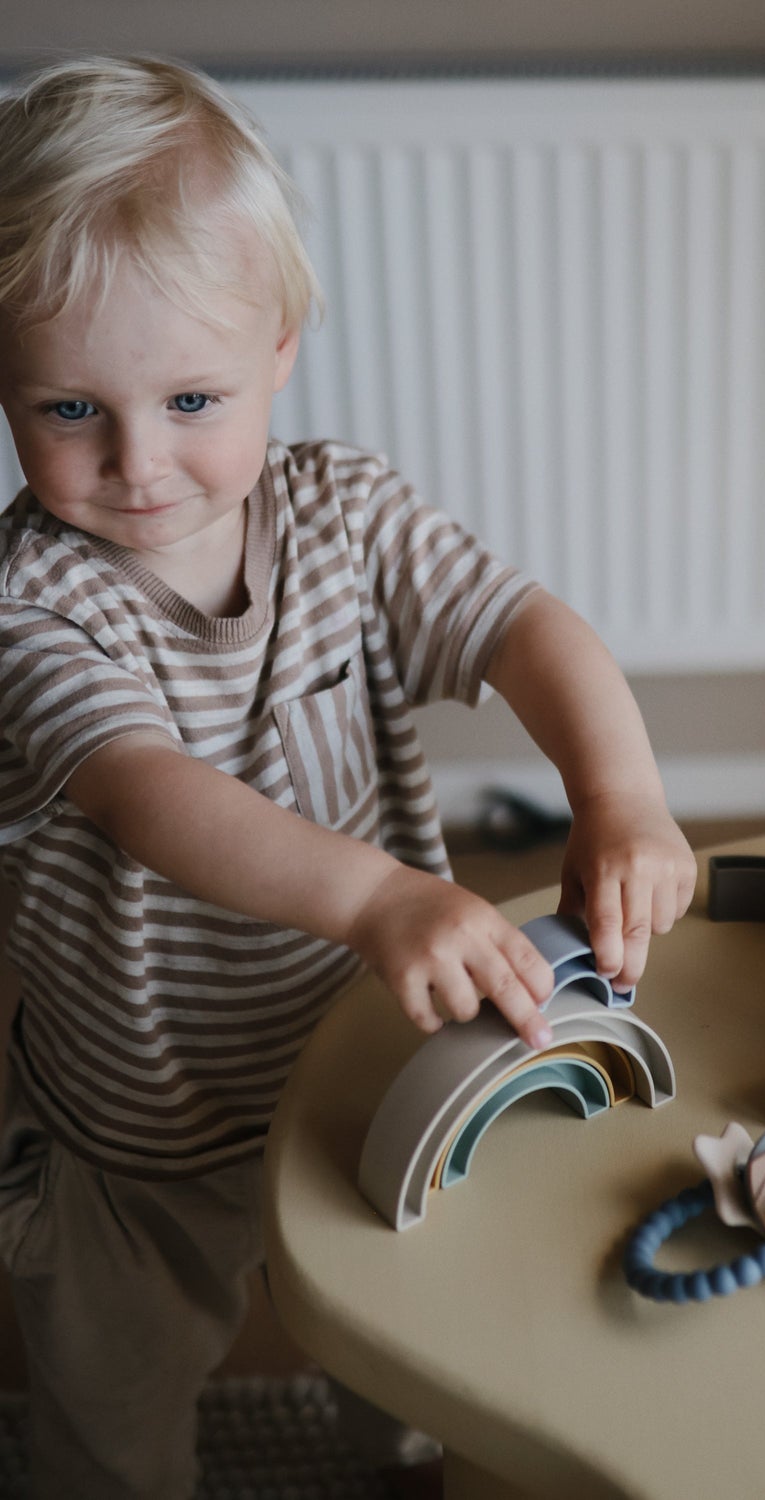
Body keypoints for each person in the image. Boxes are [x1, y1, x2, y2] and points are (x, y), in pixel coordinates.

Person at [0, 54, 697, 1498]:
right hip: (140, 1132)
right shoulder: (29, 602)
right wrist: (383, 897)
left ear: (281, 348)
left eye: (192, 396)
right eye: (69, 412)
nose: (139, 463)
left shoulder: (347, 510)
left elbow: (524, 626)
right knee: (106, 1418)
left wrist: (619, 796)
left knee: (413, 1354)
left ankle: (399, 1455)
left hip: (371, 1064)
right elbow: (147, 793)